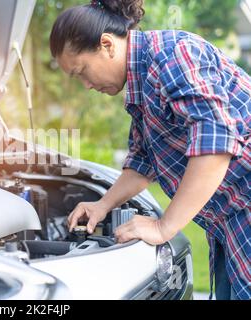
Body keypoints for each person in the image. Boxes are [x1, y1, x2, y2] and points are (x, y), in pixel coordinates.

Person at [49, 0, 250, 300]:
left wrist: (163, 227)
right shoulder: (141, 83)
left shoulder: (173, 56)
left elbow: (216, 144)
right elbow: (144, 161)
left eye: (81, 71)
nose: (86, 85)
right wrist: (102, 205)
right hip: (228, 223)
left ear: (106, 45)